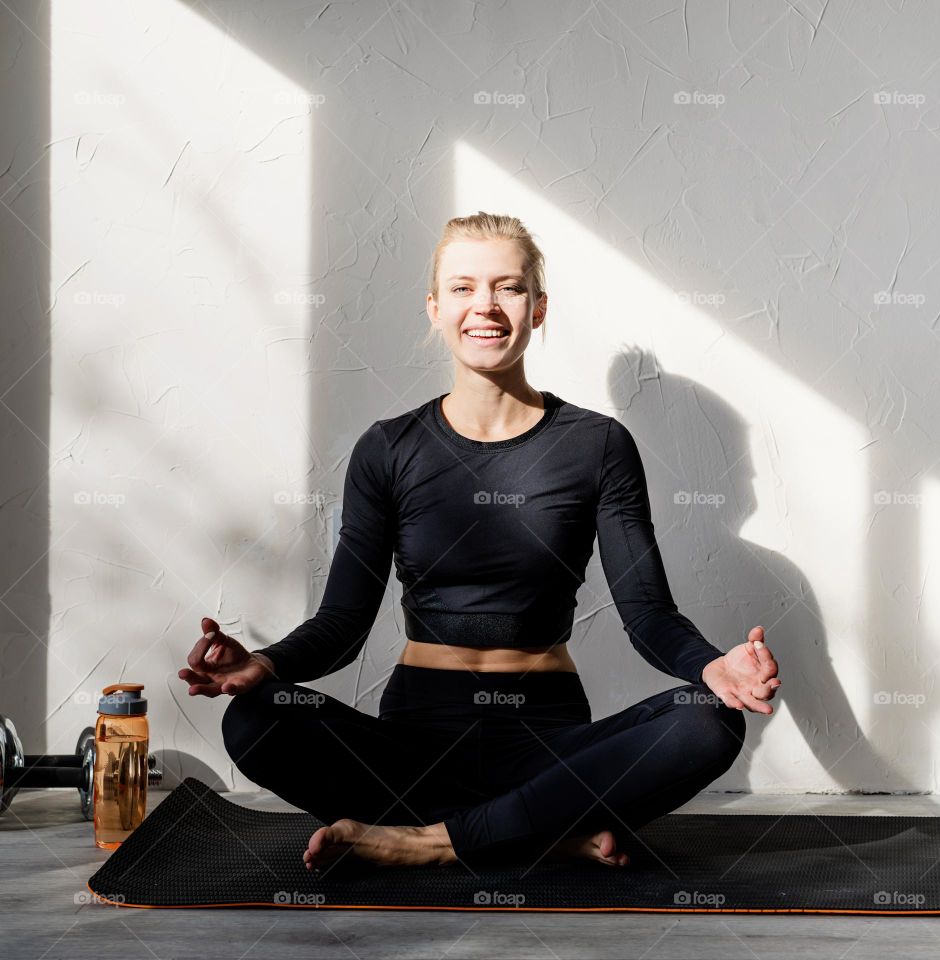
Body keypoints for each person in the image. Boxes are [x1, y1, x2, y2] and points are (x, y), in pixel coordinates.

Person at [178, 212, 781, 873]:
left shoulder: (598, 445)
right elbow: (342, 623)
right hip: (414, 750)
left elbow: (648, 615)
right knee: (256, 718)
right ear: (435, 308)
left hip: (549, 750)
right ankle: (535, 833)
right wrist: (265, 664)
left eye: (509, 287)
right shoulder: (388, 448)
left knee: (708, 719)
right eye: (463, 288)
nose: (485, 306)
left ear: (538, 307)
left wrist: (710, 667)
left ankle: (431, 841)